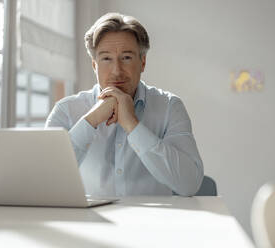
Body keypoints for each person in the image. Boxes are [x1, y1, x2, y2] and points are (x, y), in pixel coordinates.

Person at [45, 13, 204, 197]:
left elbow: (189, 184)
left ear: (142, 62)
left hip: (153, 222)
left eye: (126, 58)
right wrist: (91, 120)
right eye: (106, 59)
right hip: (90, 223)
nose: (117, 71)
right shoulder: (66, 110)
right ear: (94, 65)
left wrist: (133, 126)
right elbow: (46, 181)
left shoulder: (170, 107)